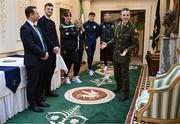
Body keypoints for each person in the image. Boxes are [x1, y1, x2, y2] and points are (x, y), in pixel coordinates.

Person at [102, 8, 137, 101]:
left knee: (124, 74)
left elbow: (135, 44)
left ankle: (125, 93)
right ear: (121, 16)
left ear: (129, 16)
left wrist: (127, 50)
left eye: (127, 15)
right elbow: (114, 39)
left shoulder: (132, 28)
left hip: (124, 55)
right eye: (124, 15)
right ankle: (119, 87)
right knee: (116, 73)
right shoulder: (117, 26)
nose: (125, 17)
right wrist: (107, 43)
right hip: (116, 54)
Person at [20, 6, 50, 112]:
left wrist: (46, 51)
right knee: (33, 83)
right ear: (31, 15)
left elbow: (43, 41)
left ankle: (39, 100)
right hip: (33, 61)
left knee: (40, 82)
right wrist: (43, 53)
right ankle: (32, 104)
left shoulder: (37, 27)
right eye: (37, 13)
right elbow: (30, 45)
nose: (39, 15)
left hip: (41, 59)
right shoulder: (25, 28)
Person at [37, 3, 60, 97]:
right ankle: (42, 92)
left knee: (51, 70)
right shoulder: (41, 21)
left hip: (54, 50)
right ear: (44, 10)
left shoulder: (52, 22)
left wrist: (57, 46)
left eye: (51, 9)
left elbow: (55, 35)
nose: (50, 11)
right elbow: (44, 36)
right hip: (46, 50)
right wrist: (52, 47)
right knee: (45, 72)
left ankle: (48, 90)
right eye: (48, 9)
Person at [59, 11, 78, 84]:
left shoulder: (73, 25)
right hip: (65, 48)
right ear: (64, 17)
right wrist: (71, 33)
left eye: (70, 16)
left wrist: (69, 33)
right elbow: (64, 35)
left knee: (76, 61)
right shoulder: (62, 25)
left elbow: (76, 34)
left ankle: (75, 76)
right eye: (67, 16)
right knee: (67, 63)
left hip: (73, 47)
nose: (69, 17)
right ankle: (66, 77)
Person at [83, 12, 99, 76]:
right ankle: (90, 69)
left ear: (94, 17)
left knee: (91, 55)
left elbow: (97, 34)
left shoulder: (96, 25)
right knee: (89, 55)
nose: (91, 17)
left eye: (92, 16)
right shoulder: (84, 24)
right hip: (87, 43)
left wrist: (94, 38)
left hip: (93, 43)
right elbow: (83, 33)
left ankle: (90, 67)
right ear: (88, 16)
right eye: (90, 16)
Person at [72, 19, 85, 83]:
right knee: (76, 62)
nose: (79, 24)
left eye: (80, 23)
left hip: (80, 49)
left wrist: (83, 47)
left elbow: (83, 39)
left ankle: (76, 75)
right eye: (78, 23)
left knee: (79, 62)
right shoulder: (73, 30)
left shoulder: (81, 31)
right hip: (75, 49)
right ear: (75, 24)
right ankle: (75, 76)